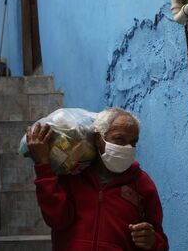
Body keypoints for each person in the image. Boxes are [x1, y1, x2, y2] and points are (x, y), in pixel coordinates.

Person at [27, 107, 169, 250]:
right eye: (119, 139)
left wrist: (152, 241)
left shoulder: (142, 184)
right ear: (98, 139)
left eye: (133, 143)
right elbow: (56, 219)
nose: (127, 148)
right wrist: (43, 165)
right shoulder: (73, 175)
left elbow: (160, 242)